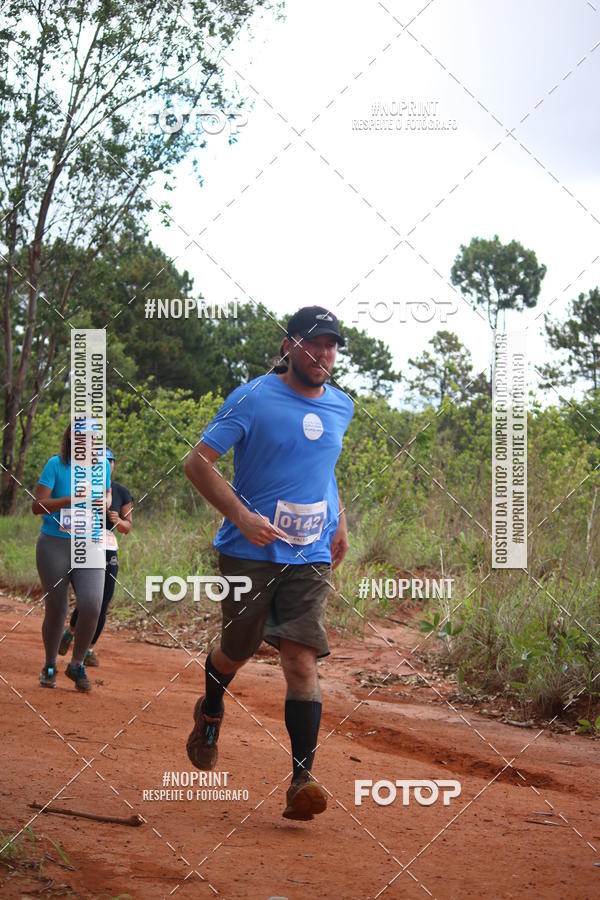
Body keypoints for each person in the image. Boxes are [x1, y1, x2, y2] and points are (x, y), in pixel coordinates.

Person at [184, 306, 353, 821]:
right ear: (289, 346)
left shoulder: (342, 405)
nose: (323, 353)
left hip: (310, 552)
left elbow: (322, 468)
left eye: (332, 345)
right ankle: (211, 708)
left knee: (301, 661)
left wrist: (339, 519)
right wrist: (242, 514)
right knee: (237, 648)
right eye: (314, 343)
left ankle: (302, 778)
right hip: (247, 550)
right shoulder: (253, 397)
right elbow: (197, 463)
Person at [32, 421, 111, 692]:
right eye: (81, 437)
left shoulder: (104, 467)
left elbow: (107, 493)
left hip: (90, 543)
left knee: (91, 604)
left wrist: (106, 501)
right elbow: (37, 505)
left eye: (92, 437)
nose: (87, 442)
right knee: (57, 608)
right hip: (54, 543)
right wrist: (68, 501)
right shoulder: (55, 465)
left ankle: (76, 663)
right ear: (71, 439)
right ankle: (50, 664)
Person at [58, 447, 132, 666]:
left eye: (111, 461)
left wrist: (117, 520)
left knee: (104, 600)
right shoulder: (82, 487)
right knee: (89, 599)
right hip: (85, 546)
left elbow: (128, 527)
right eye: (103, 461)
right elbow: (66, 517)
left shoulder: (121, 492)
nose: (108, 464)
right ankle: (71, 631)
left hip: (108, 548)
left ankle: (88, 649)